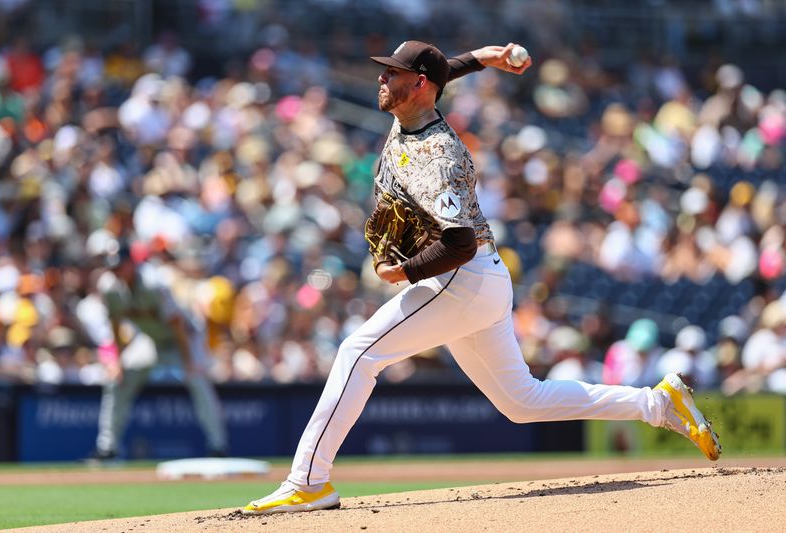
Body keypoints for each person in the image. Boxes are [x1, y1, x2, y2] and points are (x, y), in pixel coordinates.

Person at [242, 41, 721, 515]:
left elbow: (459, 242)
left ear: (419, 86)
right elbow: (444, 70)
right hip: (483, 280)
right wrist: (484, 58)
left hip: (461, 276)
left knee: (358, 353)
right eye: (384, 71)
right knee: (522, 400)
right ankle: (658, 404)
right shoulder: (411, 109)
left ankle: (308, 481)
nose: (382, 79)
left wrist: (403, 271)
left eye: (393, 73)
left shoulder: (437, 153)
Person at [87, 242, 227, 460]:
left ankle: (218, 446)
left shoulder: (153, 282)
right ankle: (107, 447)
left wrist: (189, 362)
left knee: (198, 382)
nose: (117, 272)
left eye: (121, 266)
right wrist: (118, 360)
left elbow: (177, 324)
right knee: (116, 381)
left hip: (184, 339)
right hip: (151, 341)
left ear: (132, 263)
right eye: (113, 268)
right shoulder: (109, 286)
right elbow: (115, 323)